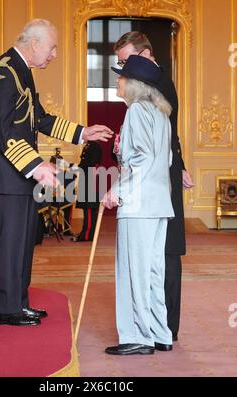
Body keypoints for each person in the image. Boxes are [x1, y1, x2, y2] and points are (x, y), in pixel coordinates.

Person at [0, 19, 113, 327]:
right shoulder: (4, 73)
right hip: (5, 175)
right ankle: (6, 309)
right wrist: (36, 165)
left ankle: (18, 303)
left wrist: (82, 133)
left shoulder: (21, 72)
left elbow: (40, 119)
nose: (53, 55)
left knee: (24, 242)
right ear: (34, 43)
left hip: (18, 174)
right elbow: (4, 130)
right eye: (51, 48)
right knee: (12, 243)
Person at [114, 32, 194, 341]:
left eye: (127, 62)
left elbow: (155, 148)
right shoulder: (153, 99)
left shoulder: (153, 92)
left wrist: (117, 189)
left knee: (158, 258)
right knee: (155, 261)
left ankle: (152, 332)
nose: (122, 71)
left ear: (145, 55)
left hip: (150, 187)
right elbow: (166, 140)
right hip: (160, 181)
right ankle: (161, 331)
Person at [103, 55, 174, 355]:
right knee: (153, 271)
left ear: (134, 84)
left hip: (138, 203)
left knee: (134, 271)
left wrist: (117, 190)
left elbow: (142, 159)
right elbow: (165, 159)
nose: (117, 81)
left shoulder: (136, 112)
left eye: (121, 77)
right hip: (159, 203)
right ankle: (160, 332)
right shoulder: (161, 114)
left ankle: (137, 336)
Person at [72, 141, 102, 242]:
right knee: (87, 209)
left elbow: (91, 163)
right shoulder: (90, 145)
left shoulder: (95, 145)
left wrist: (77, 167)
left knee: (89, 209)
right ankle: (85, 233)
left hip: (91, 179)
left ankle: (87, 235)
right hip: (87, 177)